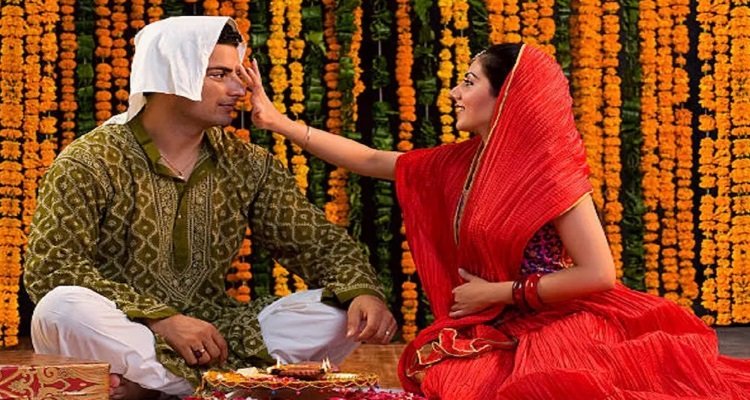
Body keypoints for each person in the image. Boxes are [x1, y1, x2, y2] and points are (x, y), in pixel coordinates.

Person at [242, 43, 750, 399]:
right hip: (495, 323)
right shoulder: (458, 163)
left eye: (468, 82)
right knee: (451, 379)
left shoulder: (549, 173)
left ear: (507, 97)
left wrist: (499, 292)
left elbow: (599, 274)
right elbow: (373, 159)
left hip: (558, 322)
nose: (454, 93)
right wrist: (277, 121)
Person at [24, 16, 396, 400]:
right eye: (219, 75)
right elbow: (51, 267)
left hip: (216, 332)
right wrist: (161, 319)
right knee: (61, 308)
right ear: (171, 76)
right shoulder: (90, 161)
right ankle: (234, 385)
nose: (239, 89)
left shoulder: (246, 163)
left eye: (239, 73)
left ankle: (153, 389)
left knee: (338, 312)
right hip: (127, 328)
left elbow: (320, 244)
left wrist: (362, 292)